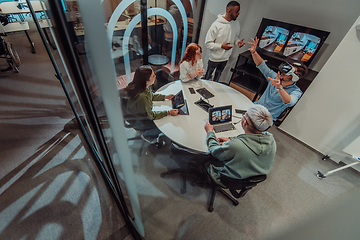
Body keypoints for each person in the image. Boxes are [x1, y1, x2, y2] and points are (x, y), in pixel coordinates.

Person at [204, 104, 276, 187]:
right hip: (249, 176)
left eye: (244, 115)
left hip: (226, 178)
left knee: (206, 156)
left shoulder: (236, 146)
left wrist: (209, 132)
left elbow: (214, 151)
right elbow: (250, 141)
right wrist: (231, 140)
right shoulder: (271, 139)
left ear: (245, 122)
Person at [247, 37, 308, 121]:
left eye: (287, 72)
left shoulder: (296, 91)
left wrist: (279, 88)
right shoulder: (275, 77)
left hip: (266, 119)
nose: (282, 73)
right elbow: (262, 65)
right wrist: (254, 52)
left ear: (295, 77)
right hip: (255, 108)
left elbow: (290, 102)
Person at [125, 65, 179, 144]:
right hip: (141, 120)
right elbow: (150, 116)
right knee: (164, 123)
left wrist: (165, 97)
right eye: (153, 76)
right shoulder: (142, 97)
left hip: (140, 113)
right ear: (146, 81)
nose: (155, 76)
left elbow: (151, 95)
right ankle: (148, 135)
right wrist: (168, 112)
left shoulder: (143, 86)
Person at [204, 1, 246, 82]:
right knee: (207, 77)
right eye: (236, 12)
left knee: (217, 79)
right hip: (214, 59)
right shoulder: (216, 25)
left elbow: (234, 37)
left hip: (225, 58)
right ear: (229, 11)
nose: (238, 14)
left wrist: (238, 42)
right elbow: (208, 43)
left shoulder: (236, 23)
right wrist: (221, 46)